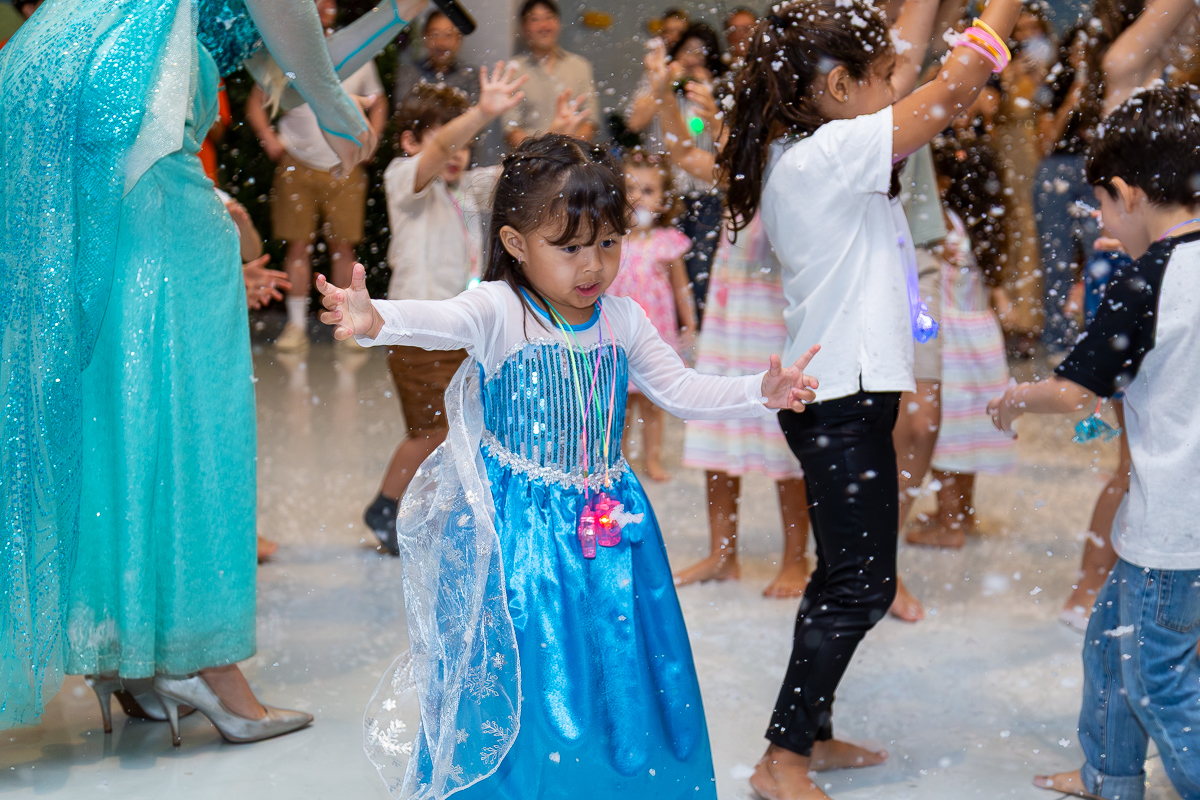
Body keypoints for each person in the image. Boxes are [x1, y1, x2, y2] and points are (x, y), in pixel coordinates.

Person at [327, 134, 821, 799]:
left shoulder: (624, 319)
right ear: (515, 243)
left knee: (617, 662)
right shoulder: (501, 311)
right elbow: (439, 319)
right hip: (519, 534)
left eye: (608, 243)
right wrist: (374, 319)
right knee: (530, 666)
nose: (592, 266)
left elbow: (681, 391)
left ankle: (611, 783)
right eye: (569, 248)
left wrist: (757, 392)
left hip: (612, 524)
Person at [0, 0, 423, 733]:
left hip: (73, 92)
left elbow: (297, 54)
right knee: (194, 399)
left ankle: (126, 649)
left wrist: (395, 14)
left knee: (117, 392)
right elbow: (296, 39)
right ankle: (199, 657)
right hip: (142, 135)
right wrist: (335, 106)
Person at [717, 0, 1022, 796]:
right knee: (863, 585)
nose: (897, 87)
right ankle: (782, 760)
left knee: (839, 577)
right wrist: (1003, 12)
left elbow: (915, 65)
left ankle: (808, 736)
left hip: (842, 398)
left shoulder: (816, 146)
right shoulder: (832, 153)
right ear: (838, 87)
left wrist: (916, 29)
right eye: (881, 78)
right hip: (842, 402)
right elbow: (950, 90)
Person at [986, 86, 1200, 800]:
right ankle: (1109, 775)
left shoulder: (1144, 284)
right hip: (1180, 524)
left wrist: (1014, 398)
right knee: (1111, 645)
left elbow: (1074, 393)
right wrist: (1143, 251)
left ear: (1129, 194)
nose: (1100, 223)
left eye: (1103, 205)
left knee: (1158, 680)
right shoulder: (1169, 270)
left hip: (1172, 530)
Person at [363, 68, 526, 552]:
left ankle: (426, 511)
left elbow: (520, 177)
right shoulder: (402, 179)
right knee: (432, 431)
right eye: (449, 141)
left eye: (466, 145)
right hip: (414, 333)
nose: (457, 153)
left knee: (458, 430)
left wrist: (561, 131)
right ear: (410, 141)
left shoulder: (466, 189)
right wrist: (482, 112)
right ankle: (386, 506)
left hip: (457, 334)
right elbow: (436, 152)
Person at [246, 0, 388, 354]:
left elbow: (377, 101)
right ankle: (295, 325)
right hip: (297, 161)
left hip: (346, 167)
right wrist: (268, 138)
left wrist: (370, 140)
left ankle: (346, 323)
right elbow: (257, 99)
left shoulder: (357, 52)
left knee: (344, 247)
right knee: (298, 245)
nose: (324, 6)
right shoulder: (286, 49)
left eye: (328, 1)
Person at [903, 137, 1016, 547]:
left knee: (947, 436)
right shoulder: (986, 226)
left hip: (950, 344)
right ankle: (962, 513)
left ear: (944, 182)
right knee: (968, 434)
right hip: (983, 342)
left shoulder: (942, 226)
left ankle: (949, 525)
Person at [607, 150, 696, 482]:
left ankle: (653, 458)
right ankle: (619, 458)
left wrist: (690, 321)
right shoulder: (612, 239)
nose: (637, 197)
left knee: (652, 401)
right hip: (619, 332)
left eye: (647, 190)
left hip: (655, 332)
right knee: (619, 402)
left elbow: (681, 287)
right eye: (630, 189)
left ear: (663, 198)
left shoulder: (666, 242)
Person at [626, 26, 727, 318]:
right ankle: (661, 318)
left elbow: (723, 138)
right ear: (676, 52)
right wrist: (664, 86)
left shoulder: (717, 88)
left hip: (706, 191)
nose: (693, 58)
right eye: (688, 50)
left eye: (701, 52)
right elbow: (634, 122)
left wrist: (709, 92)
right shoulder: (657, 80)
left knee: (699, 267)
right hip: (660, 192)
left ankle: (693, 322)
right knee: (655, 263)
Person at [501, 0, 599, 146]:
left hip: (573, 155)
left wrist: (569, 151)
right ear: (524, 28)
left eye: (549, 18)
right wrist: (542, 153)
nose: (544, 26)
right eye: (535, 19)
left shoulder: (580, 66)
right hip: (530, 157)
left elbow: (590, 121)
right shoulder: (513, 69)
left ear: (558, 23)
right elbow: (511, 128)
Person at [393, 8, 478, 104]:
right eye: (435, 34)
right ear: (424, 37)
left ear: (459, 39)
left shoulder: (469, 76)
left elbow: (477, 110)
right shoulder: (409, 72)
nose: (441, 43)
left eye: (448, 35)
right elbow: (405, 109)